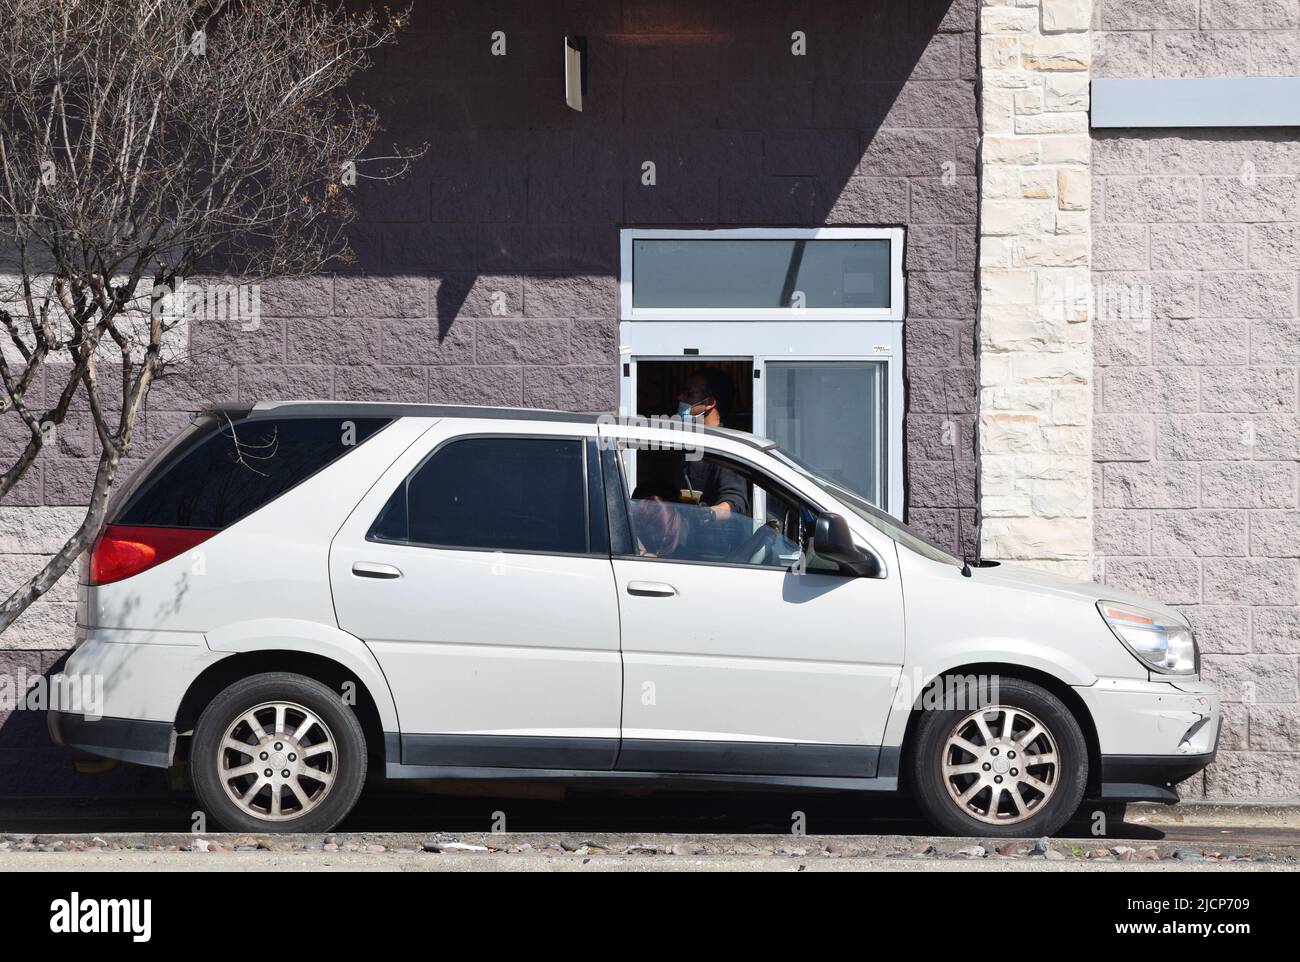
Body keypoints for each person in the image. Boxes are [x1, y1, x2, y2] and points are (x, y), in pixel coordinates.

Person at [674, 367, 749, 526]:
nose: (680, 397)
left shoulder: (725, 449)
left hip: (715, 547)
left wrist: (707, 514)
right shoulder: (692, 443)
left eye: (689, 393)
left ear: (709, 403)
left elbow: (734, 501)